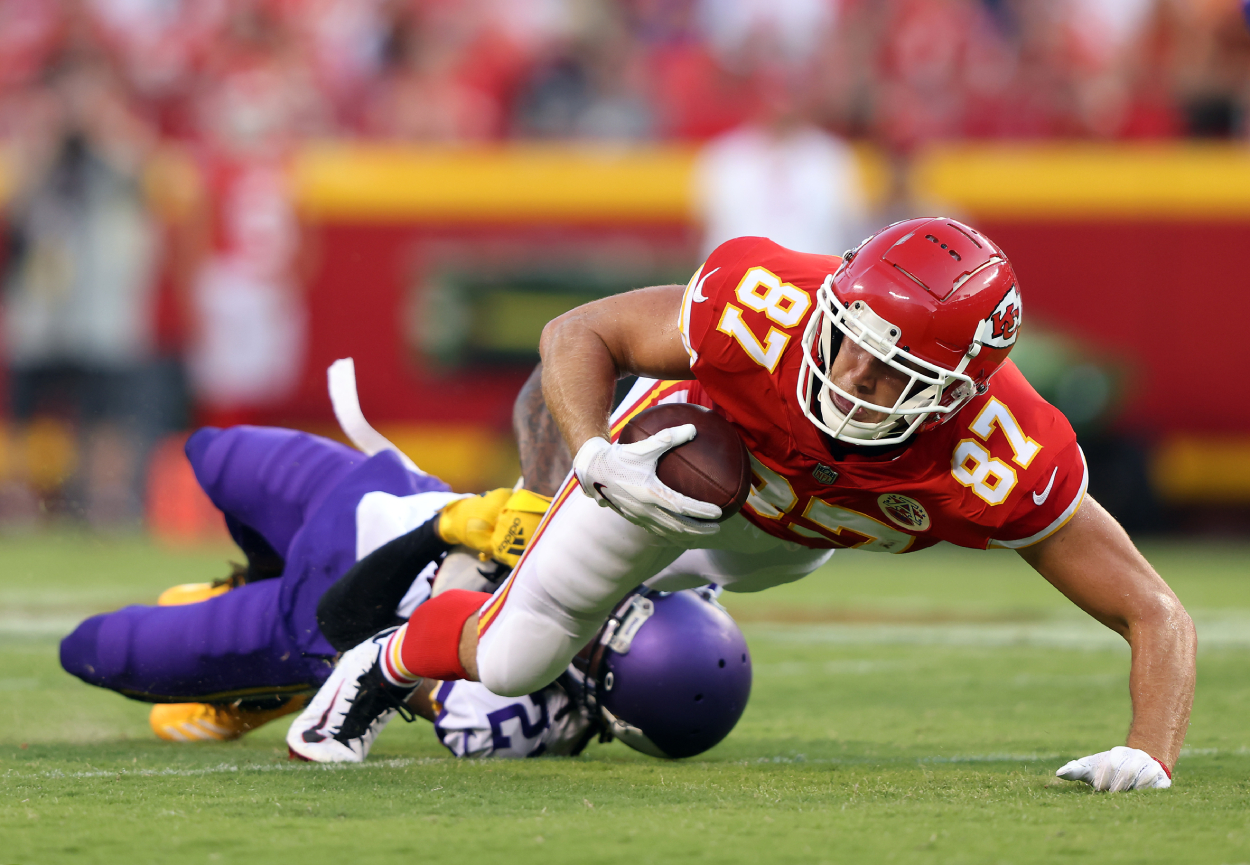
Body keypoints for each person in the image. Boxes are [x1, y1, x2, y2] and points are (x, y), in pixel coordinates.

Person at [384, 217, 1196, 793]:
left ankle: (575, 605)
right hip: (675, 476)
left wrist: (1150, 753)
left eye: (894, 373)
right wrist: (594, 455)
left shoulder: (1003, 453)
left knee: (711, 600)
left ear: (956, 393)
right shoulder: (768, 300)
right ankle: (418, 607)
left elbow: (1155, 611)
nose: (851, 378)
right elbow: (577, 333)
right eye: (851, 340)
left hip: (787, 540)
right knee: (510, 669)